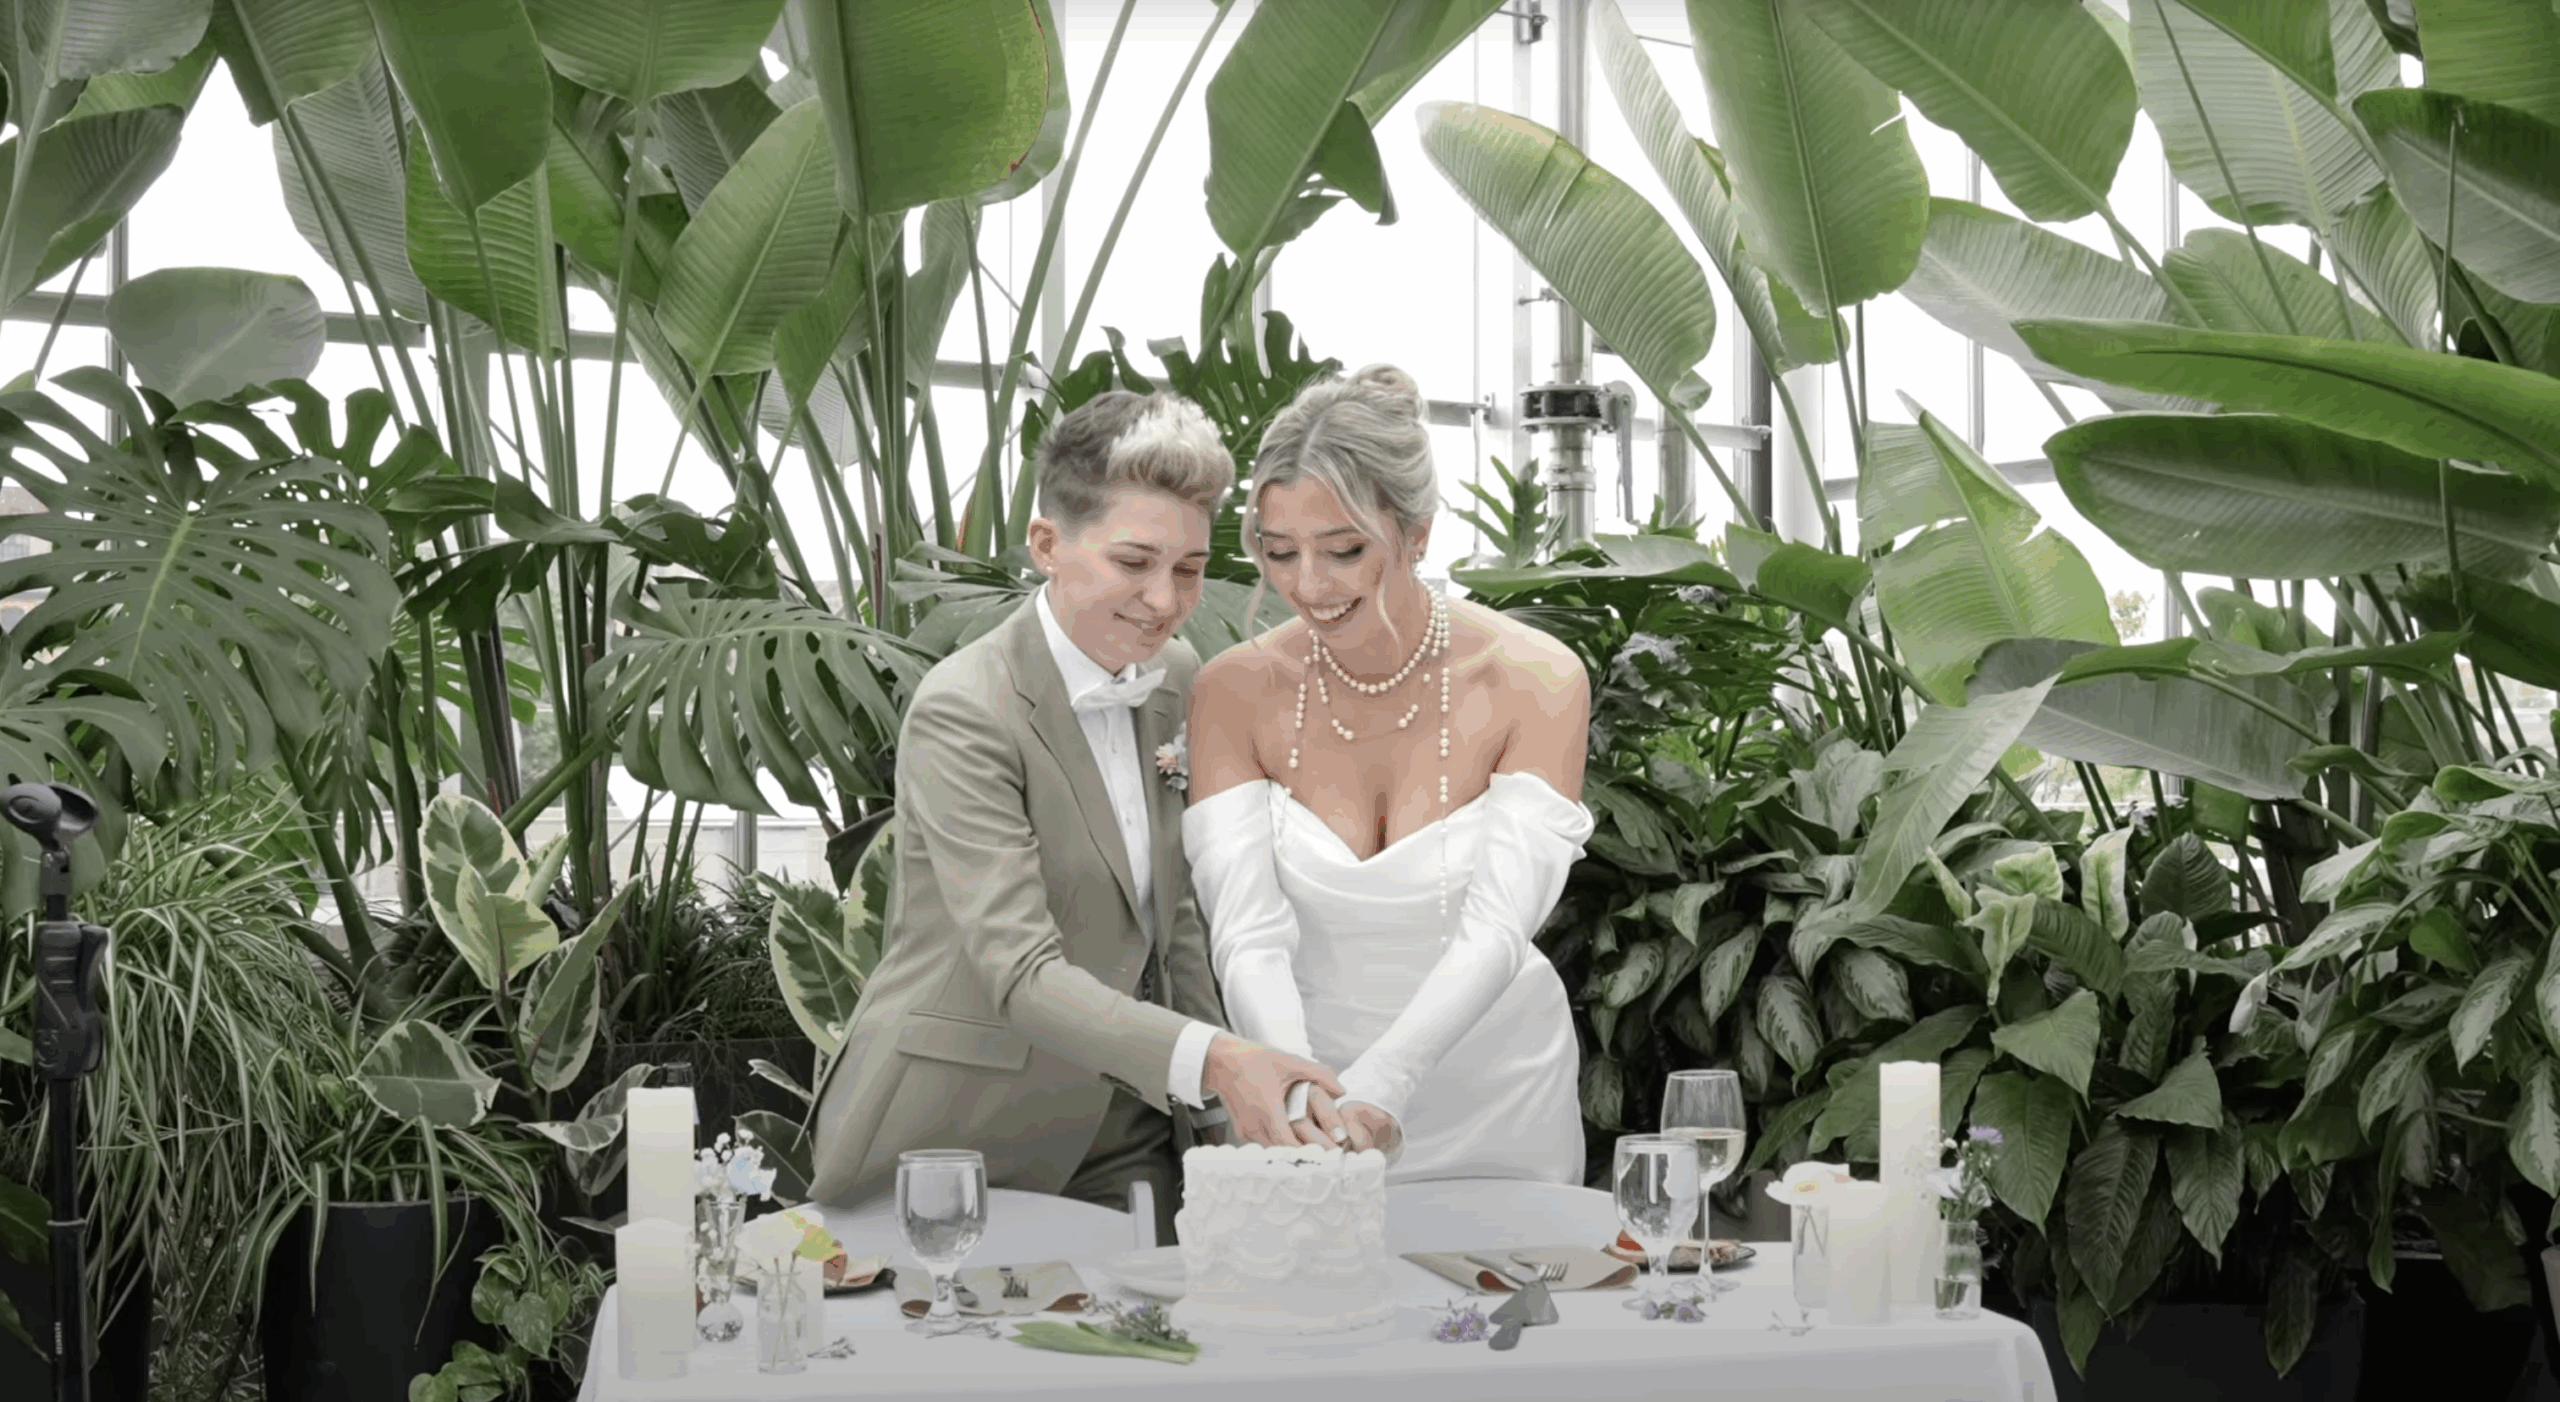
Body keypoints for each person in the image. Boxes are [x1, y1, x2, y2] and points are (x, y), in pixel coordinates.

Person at [807, 390, 1345, 1246]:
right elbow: (1017, 971)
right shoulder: (967, 710)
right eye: (1134, 563)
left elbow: (1174, 923)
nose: (1165, 600)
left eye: (1191, 569)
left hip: (1131, 1135)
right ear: (1047, 544)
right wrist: (1218, 1061)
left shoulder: (1174, 679)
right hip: (960, 1133)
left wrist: (1217, 1115)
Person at [1182, 364, 1597, 1186]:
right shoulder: (1231, 691)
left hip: (1495, 1094)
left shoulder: (1536, 679)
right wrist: (1301, 1091)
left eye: (1343, 551)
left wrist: (1386, 1087)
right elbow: (1247, 933)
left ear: (1416, 534)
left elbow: (1497, 927)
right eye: (1279, 552)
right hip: (1300, 1096)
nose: (1308, 585)